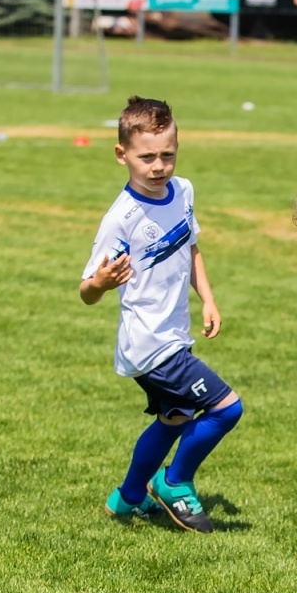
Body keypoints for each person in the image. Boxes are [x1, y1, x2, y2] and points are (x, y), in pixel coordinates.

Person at [79, 96, 242, 534]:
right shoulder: (121, 219)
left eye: (167, 155)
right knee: (227, 409)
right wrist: (101, 284)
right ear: (122, 155)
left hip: (172, 334)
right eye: (146, 156)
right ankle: (174, 482)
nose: (158, 166)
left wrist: (207, 298)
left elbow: (191, 248)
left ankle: (128, 497)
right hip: (151, 343)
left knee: (175, 418)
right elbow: (86, 291)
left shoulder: (183, 190)